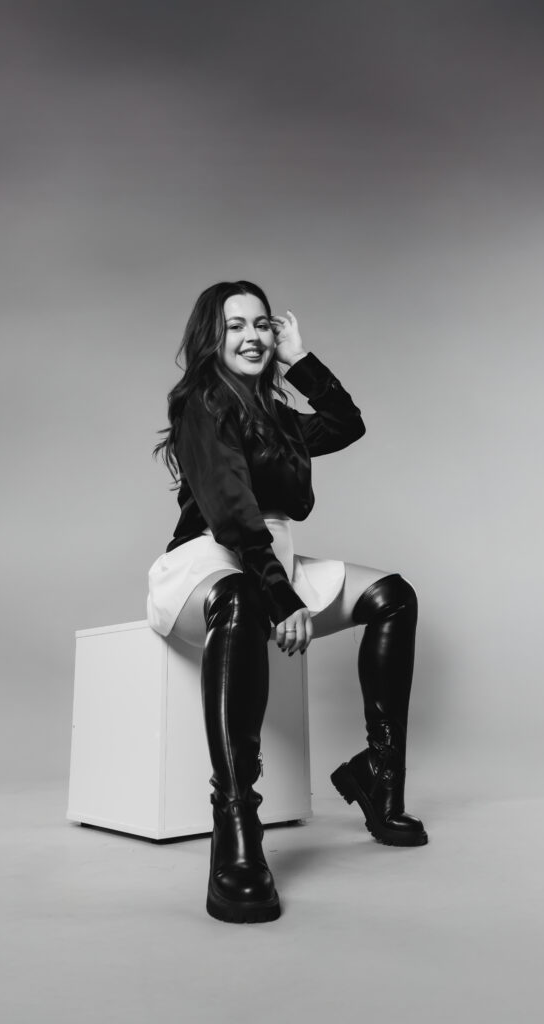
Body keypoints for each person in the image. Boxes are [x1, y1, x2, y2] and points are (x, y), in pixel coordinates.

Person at [148, 280, 427, 925]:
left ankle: (379, 777)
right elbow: (231, 514)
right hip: (210, 563)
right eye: (234, 326)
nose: (251, 337)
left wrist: (300, 359)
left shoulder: (274, 415)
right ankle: (236, 829)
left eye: (262, 325)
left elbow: (346, 425)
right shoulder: (201, 404)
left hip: (276, 563)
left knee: (393, 597)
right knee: (242, 597)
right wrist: (279, 596)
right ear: (210, 338)